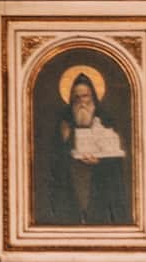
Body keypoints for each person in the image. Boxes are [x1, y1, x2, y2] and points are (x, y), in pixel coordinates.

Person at [35, 69, 130, 224]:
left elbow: (119, 157)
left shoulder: (106, 119)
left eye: (85, 96)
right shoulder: (64, 122)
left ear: (93, 96)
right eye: (76, 97)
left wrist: (100, 162)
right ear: (71, 99)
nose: (81, 102)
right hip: (72, 184)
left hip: (99, 183)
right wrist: (65, 142)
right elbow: (53, 160)